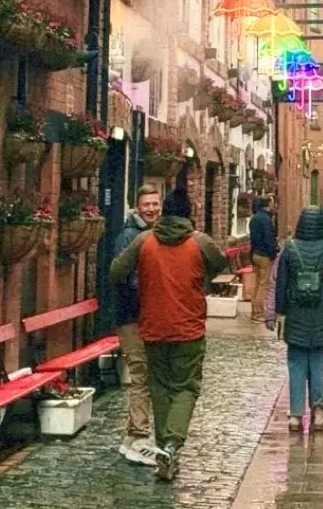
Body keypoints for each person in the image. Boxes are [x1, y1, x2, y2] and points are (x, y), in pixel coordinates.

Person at [109, 184, 227, 482]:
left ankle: (164, 453)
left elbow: (115, 272)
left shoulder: (144, 241)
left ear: (163, 211)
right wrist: (198, 280)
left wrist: (146, 278)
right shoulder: (200, 242)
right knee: (186, 388)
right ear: (188, 214)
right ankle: (172, 443)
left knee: (159, 388)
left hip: (152, 328)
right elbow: (221, 263)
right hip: (188, 329)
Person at [274, 206, 323, 432]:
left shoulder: (290, 249)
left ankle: (295, 415)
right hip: (322, 314)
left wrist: (280, 313)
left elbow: (281, 285)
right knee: (319, 364)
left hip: (295, 315)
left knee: (296, 365)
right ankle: (320, 413)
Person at [110, 181, 162, 465]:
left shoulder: (154, 234)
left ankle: (131, 438)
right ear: (137, 207)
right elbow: (124, 278)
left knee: (146, 374)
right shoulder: (129, 236)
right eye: (147, 205)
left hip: (148, 318)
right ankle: (141, 437)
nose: (152, 209)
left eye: (155, 204)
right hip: (132, 317)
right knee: (141, 375)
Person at [248, 195, 277, 325]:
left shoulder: (254, 218)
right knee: (263, 285)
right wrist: (273, 253)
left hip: (255, 254)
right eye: (272, 202)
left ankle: (254, 310)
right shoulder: (266, 219)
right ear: (268, 204)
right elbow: (269, 238)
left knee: (257, 284)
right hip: (264, 255)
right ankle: (258, 313)